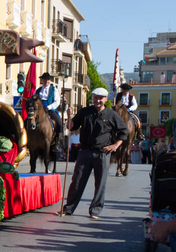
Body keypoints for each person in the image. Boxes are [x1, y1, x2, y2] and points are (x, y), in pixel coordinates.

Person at [59, 87, 128, 219]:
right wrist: (69, 116)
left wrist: (115, 145)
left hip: (103, 153)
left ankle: (95, 211)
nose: (97, 100)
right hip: (85, 152)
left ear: (105, 99)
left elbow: (123, 131)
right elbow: (71, 126)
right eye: (96, 97)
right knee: (77, 181)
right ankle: (68, 208)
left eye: (100, 98)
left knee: (100, 183)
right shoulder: (85, 112)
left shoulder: (112, 115)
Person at [34, 72, 62, 142]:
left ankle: (57, 142)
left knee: (59, 124)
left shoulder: (53, 89)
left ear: (50, 80)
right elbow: (34, 99)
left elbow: (57, 101)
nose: (46, 81)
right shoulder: (38, 90)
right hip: (39, 110)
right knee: (28, 121)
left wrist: (48, 107)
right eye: (45, 79)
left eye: (48, 79)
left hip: (50, 110)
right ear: (42, 80)